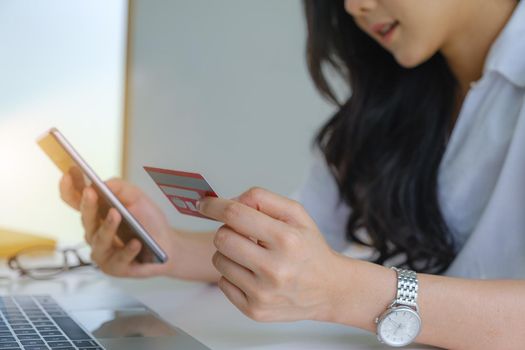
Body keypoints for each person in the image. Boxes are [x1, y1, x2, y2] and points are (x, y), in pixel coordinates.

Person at [60, 0, 525, 348]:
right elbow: (297, 251)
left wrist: (347, 292)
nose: (353, 6)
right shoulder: (392, 101)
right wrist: (165, 247)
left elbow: (329, 282)